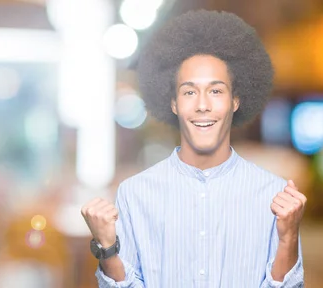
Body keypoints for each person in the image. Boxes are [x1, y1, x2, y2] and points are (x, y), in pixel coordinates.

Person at [81, 10, 305, 287]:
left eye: (216, 91)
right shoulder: (134, 193)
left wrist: (288, 238)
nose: (202, 105)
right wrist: (106, 246)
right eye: (189, 92)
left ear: (235, 100)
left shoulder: (274, 196)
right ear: (173, 103)